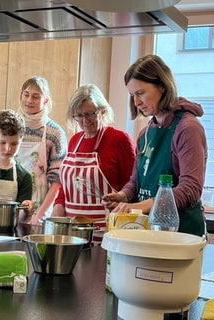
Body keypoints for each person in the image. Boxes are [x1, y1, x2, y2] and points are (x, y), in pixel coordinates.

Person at [102, 54, 207, 237]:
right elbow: (136, 182)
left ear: (162, 86)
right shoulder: (146, 133)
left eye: (141, 93)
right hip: (151, 233)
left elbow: (191, 189)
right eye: (132, 95)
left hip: (181, 235)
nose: (136, 102)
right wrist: (124, 196)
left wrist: (139, 207)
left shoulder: (188, 128)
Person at [52, 84, 136, 243]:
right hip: (72, 231)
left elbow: (132, 186)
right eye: (79, 115)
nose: (84, 121)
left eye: (90, 114)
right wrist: (59, 204)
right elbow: (67, 184)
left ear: (102, 110)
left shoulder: (119, 140)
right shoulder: (75, 141)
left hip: (106, 231)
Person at [15, 76, 67, 223]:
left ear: (46, 101)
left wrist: (39, 216)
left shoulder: (55, 133)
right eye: (26, 94)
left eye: (35, 97)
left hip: (39, 206)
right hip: (11, 203)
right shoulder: (13, 126)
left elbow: (57, 181)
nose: (29, 100)